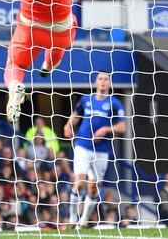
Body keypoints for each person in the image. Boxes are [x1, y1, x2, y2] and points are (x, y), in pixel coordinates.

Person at [63, 71, 125, 228]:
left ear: (109, 83)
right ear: (95, 82)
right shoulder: (86, 99)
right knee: (79, 182)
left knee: (93, 188)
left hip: (101, 150)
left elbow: (122, 126)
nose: (103, 82)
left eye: (106, 79)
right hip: (82, 145)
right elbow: (76, 114)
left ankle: (83, 221)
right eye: (100, 79)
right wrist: (68, 125)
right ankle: (72, 219)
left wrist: (106, 129)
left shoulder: (114, 103)